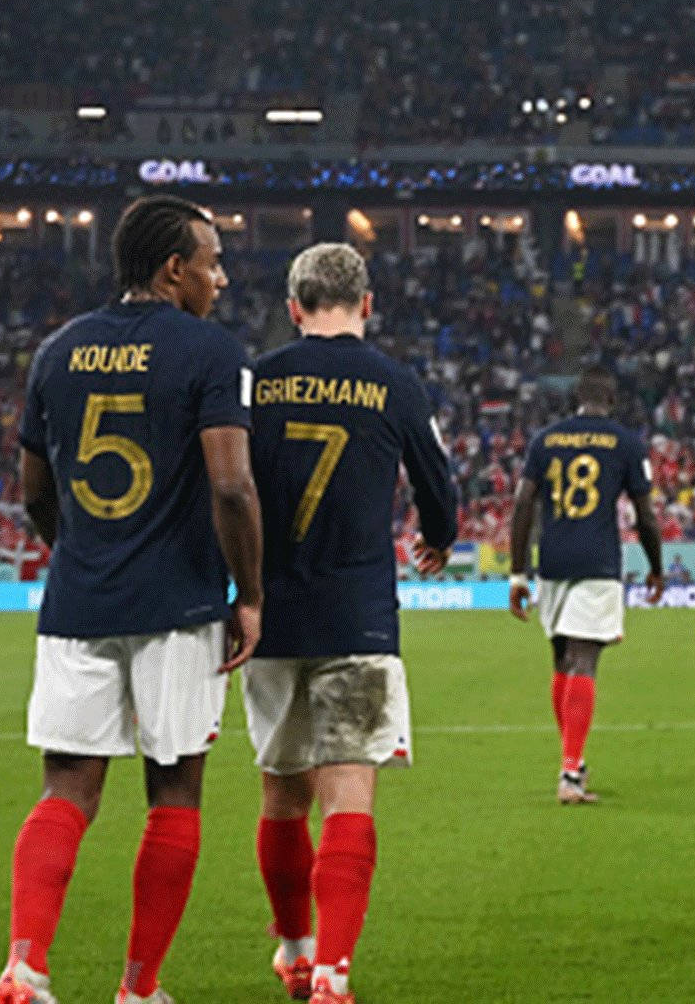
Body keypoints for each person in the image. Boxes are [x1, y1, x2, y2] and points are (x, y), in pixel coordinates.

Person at [0, 194, 262, 1004]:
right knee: (174, 789)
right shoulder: (210, 352)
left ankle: (24, 965)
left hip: (78, 602)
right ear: (175, 268)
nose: (221, 277)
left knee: (66, 788)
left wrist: (81, 550)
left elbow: (33, 489)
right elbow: (231, 484)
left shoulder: (56, 351)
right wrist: (247, 592)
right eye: (212, 261)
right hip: (177, 605)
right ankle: (139, 987)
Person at [243, 243, 459, 1004]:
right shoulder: (394, 383)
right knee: (348, 798)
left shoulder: (255, 381)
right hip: (359, 616)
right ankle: (335, 972)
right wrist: (439, 535)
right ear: (367, 305)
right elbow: (438, 488)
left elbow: (226, 485)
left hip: (267, 616)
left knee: (282, 796)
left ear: (295, 308)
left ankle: (296, 952)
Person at [509, 369, 664, 804]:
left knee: (561, 658)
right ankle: (570, 771)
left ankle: (571, 760)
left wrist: (518, 573)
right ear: (611, 398)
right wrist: (656, 567)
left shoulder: (546, 440)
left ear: (576, 398)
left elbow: (523, 504)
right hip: (597, 563)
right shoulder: (625, 443)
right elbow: (645, 515)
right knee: (583, 660)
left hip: (552, 561)